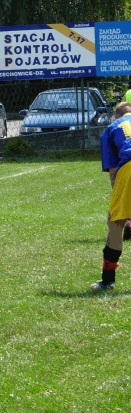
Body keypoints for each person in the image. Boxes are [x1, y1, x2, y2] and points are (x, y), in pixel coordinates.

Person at [91, 101, 131, 291]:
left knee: (115, 224)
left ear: (116, 116)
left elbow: (113, 171)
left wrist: (118, 205)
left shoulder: (112, 127)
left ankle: (107, 280)